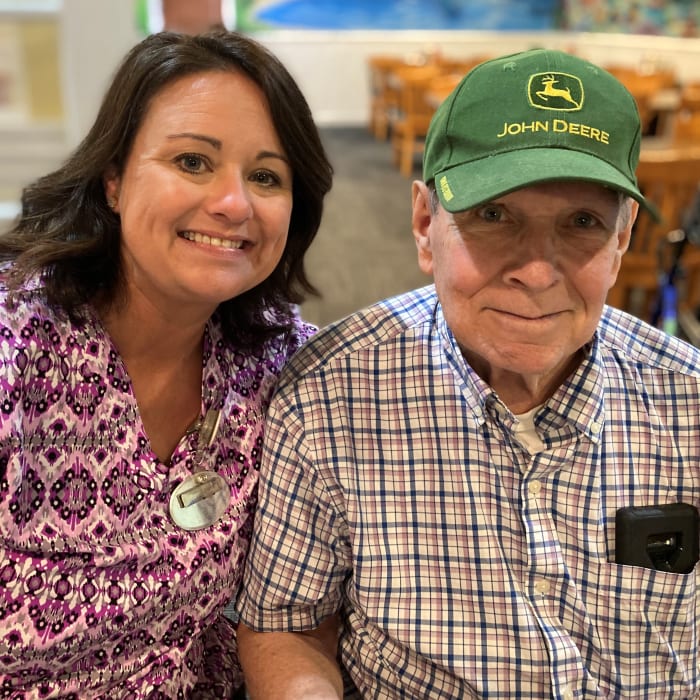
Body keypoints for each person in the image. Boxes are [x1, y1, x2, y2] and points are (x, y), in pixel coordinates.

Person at [236, 48, 700, 698]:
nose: (537, 271)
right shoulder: (326, 399)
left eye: (583, 223)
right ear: (426, 225)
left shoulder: (687, 399)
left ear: (622, 241)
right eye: (493, 215)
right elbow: (286, 624)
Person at [0, 28, 331, 698]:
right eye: (192, 162)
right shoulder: (16, 352)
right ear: (114, 179)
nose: (233, 203)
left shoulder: (276, 359)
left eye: (266, 176)